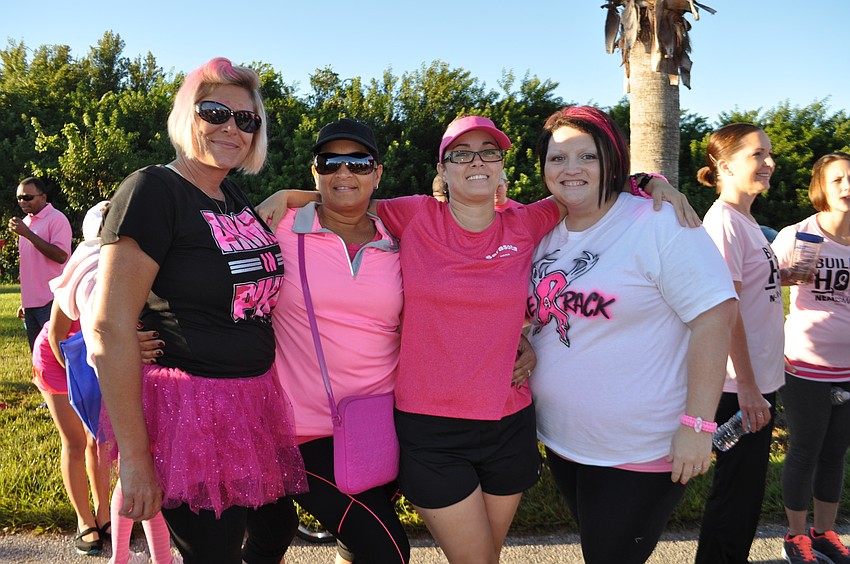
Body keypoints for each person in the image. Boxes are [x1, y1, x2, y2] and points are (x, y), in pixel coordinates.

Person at [260, 114, 696, 563]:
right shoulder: (411, 215)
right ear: (442, 171)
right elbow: (345, 196)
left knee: (489, 554)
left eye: (489, 152)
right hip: (431, 428)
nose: (476, 161)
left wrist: (651, 182)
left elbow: (585, 186)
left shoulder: (527, 222)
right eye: (461, 154)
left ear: (503, 167)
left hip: (509, 421)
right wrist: (286, 195)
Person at [88, 57, 307, 564]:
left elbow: (344, 198)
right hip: (191, 409)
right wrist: (136, 458)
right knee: (215, 551)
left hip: (254, 402)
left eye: (247, 120)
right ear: (189, 116)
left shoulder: (230, 192)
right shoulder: (152, 191)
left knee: (275, 528)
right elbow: (108, 326)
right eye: (215, 112)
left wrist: (287, 194)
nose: (232, 128)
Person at [525, 105, 737, 564]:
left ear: (613, 162)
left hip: (640, 447)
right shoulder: (545, 232)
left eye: (588, 156)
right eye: (557, 158)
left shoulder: (657, 221)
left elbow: (714, 319)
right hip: (564, 442)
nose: (571, 168)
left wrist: (698, 426)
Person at [48, 201, 175, 564]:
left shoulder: (90, 260)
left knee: (136, 471)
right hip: (99, 366)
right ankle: (143, 556)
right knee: (138, 470)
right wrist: (117, 346)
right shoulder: (101, 265)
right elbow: (93, 320)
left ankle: (135, 556)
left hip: (103, 364)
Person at [694, 123, 785, 564]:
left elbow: (751, 293)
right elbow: (723, 310)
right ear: (725, 165)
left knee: (744, 493)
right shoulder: (725, 222)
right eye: (757, 154)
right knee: (735, 495)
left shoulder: (746, 221)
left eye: (769, 153)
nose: (769, 162)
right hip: (737, 388)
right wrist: (748, 386)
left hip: (756, 382)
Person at [772, 152, 850, 564]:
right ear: (821, 186)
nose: (847, 187)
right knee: (804, 449)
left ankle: (825, 534)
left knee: (835, 453)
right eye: (837, 179)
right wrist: (785, 275)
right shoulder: (799, 233)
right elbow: (761, 281)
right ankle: (796, 537)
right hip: (806, 364)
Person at [9, 176, 72, 350]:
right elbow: (31, 267)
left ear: (43, 197)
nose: (23, 201)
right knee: (38, 358)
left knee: (55, 355)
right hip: (31, 305)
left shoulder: (56, 219)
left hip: (52, 301)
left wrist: (27, 234)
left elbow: (61, 256)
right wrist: (25, 301)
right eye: (20, 198)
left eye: (28, 197)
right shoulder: (27, 222)